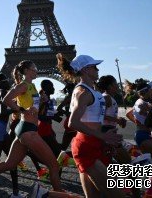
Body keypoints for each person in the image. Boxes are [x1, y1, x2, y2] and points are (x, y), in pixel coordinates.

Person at [0, 61, 69, 197]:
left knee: (9, 164)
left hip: (25, 130)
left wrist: (39, 103)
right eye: (34, 68)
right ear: (26, 71)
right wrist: (21, 110)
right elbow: (7, 99)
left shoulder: (31, 86)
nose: (37, 70)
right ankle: (59, 195)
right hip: (28, 131)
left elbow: (29, 105)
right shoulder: (24, 85)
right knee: (54, 165)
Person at [58, 53, 125, 198]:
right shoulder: (84, 93)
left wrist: (104, 140)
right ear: (86, 69)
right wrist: (103, 136)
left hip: (92, 143)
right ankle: (46, 195)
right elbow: (73, 122)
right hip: (87, 146)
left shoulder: (90, 91)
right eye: (95, 67)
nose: (98, 70)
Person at [124, 80, 152, 164]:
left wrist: (138, 122)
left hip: (144, 134)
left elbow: (128, 114)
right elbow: (141, 111)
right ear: (146, 91)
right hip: (143, 136)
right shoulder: (142, 104)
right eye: (151, 91)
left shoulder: (142, 102)